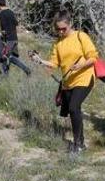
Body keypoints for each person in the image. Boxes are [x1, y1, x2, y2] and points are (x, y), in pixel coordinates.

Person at [30, 11, 99, 155]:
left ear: (70, 24)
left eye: (63, 28)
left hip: (85, 77)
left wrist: (81, 66)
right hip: (68, 82)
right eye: (58, 29)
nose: (61, 31)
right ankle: (81, 142)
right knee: (74, 110)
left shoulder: (81, 36)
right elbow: (54, 64)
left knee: (74, 107)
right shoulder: (58, 43)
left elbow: (93, 57)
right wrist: (40, 60)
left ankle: (77, 145)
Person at [0, 0, 31, 75]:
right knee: (10, 57)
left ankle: (6, 75)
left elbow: (3, 29)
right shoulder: (11, 12)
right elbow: (16, 23)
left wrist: (2, 38)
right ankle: (26, 70)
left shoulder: (1, 14)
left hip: (8, 39)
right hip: (14, 38)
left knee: (4, 57)